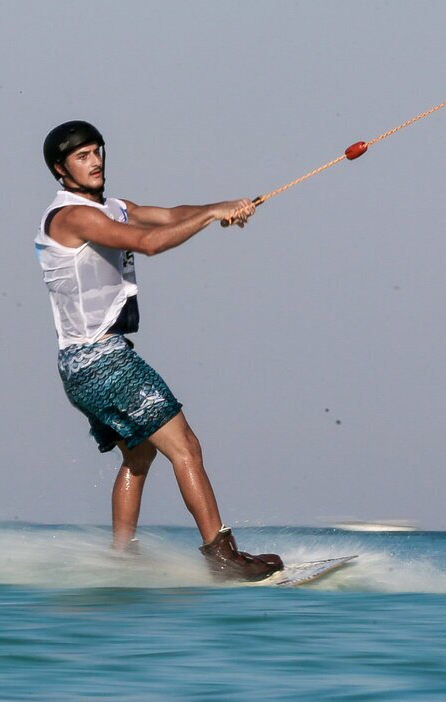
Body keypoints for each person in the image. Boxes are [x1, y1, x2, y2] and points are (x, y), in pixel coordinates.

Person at [34, 120, 284, 582]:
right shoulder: (73, 216)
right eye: (82, 157)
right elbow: (149, 243)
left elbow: (166, 216)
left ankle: (120, 559)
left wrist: (222, 206)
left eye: (97, 151)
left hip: (82, 363)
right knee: (185, 445)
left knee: (139, 456)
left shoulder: (109, 207)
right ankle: (222, 557)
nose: (95, 162)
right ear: (61, 170)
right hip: (101, 360)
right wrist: (211, 220)